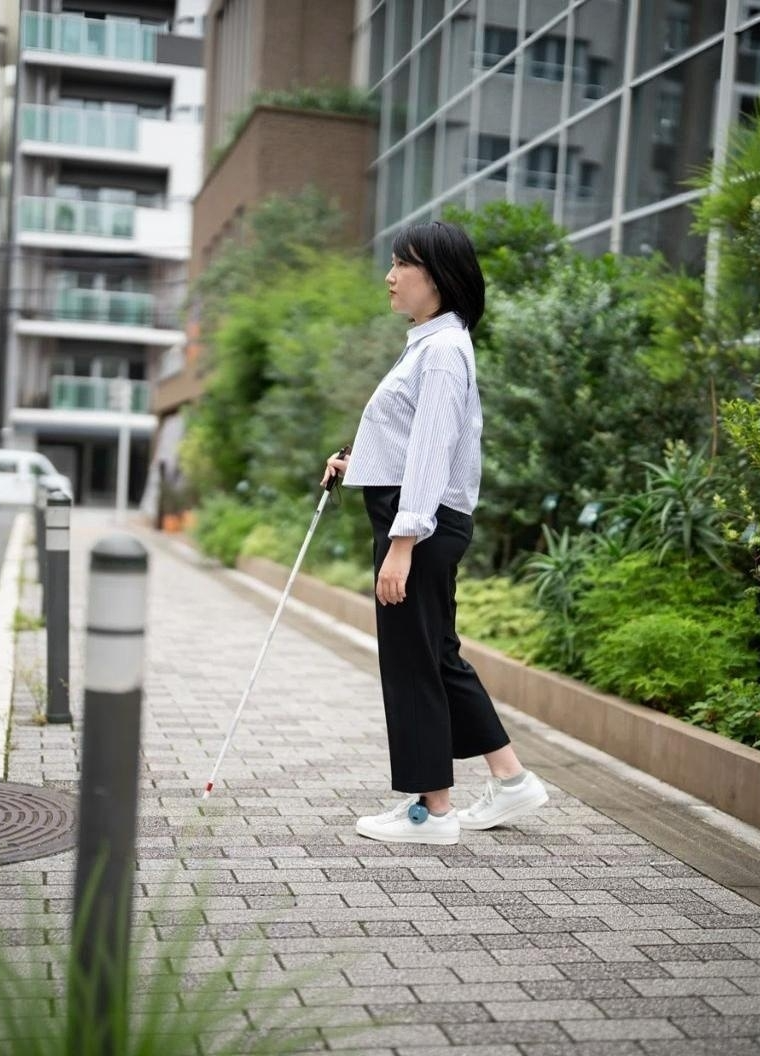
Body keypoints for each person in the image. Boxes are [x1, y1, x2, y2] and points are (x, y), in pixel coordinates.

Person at [321, 220, 548, 846]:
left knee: (412, 664)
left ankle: (432, 811)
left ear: (439, 277)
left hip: (417, 527)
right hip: (419, 520)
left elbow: (431, 450)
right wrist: (354, 464)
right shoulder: (431, 344)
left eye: (403, 265)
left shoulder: (443, 351)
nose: (390, 276)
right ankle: (510, 780)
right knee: (438, 656)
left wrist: (402, 545)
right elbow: (406, 440)